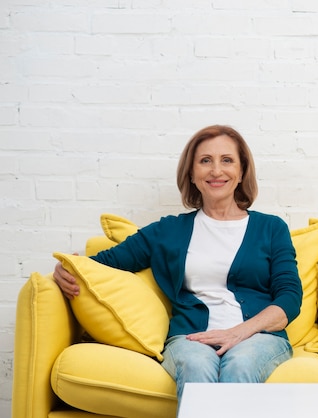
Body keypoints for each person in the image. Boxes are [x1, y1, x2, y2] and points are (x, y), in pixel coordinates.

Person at [53, 124, 303, 404]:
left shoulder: (271, 228)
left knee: (240, 364)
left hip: (257, 337)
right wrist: (68, 267)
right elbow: (105, 263)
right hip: (191, 338)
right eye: (205, 161)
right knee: (196, 365)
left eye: (227, 160)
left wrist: (237, 333)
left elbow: (289, 299)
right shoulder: (168, 232)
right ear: (192, 174)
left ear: (242, 171)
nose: (216, 171)